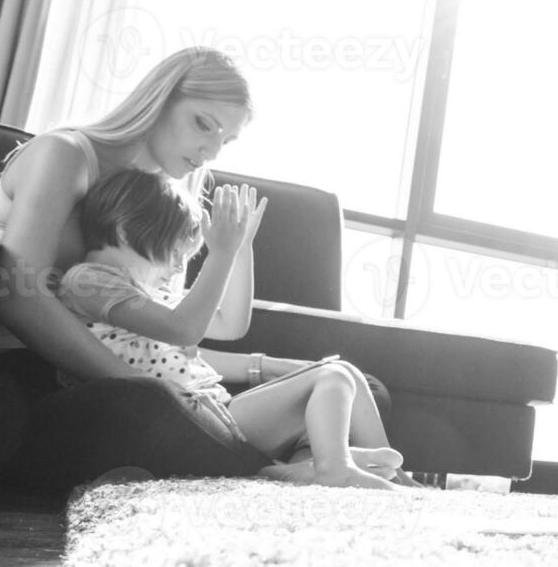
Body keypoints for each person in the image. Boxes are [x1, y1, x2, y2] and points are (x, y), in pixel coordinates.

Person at [0, 46, 389, 489]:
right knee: (156, 406)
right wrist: (148, 387)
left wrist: (264, 367)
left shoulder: (163, 196)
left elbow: (162, 339)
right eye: (203, 123)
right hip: (41, 375)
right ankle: (290, 467)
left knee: (361, 386)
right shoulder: (66, 154)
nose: (210, 150)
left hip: (151, 378)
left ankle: (299, 468)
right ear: (161, 98)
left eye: (225, 140)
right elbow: (17, 298)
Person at [58, 168, 406, 490]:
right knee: (333, 379)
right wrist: (219, 255)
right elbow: (185, 330)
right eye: (173, 251)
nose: (179, 265)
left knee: (347, 376)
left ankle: (380, 475)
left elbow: (231, 324)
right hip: (192, 421)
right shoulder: (88, 280)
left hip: (217, 411)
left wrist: (239, 250)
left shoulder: (151, 293)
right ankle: (334, 469)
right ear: (124, 229)